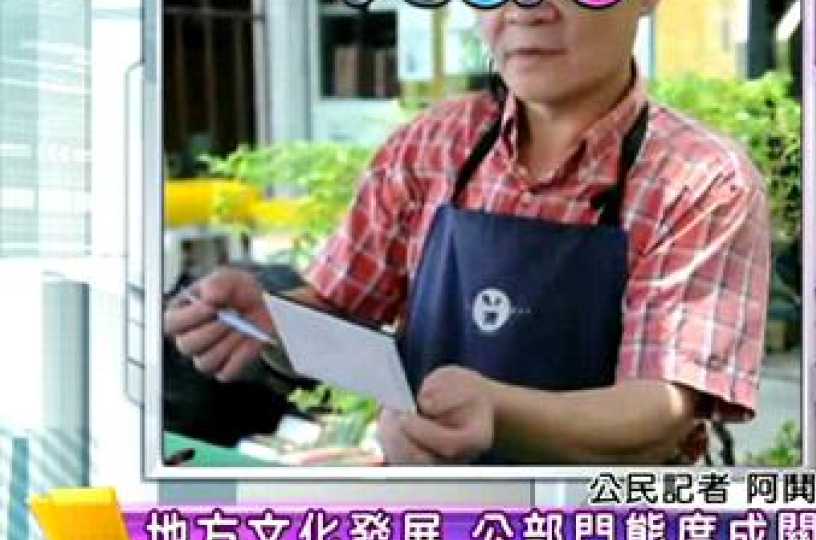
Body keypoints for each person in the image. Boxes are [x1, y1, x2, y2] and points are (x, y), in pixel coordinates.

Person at [165, 0, 770, 465]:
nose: (526, 10)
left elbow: (661, 406)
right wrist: (276, 323)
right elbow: (339, 311)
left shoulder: (700, 180)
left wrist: (497, 410)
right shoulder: (430, 147)